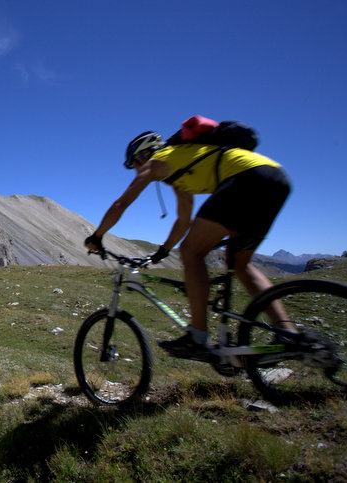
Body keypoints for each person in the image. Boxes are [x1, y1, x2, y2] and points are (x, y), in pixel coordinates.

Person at [84, 123, 295, 360]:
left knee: (192, 252)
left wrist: (97, 236)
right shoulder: (180, 172)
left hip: (246, 180)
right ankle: (288, 333)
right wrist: (162, 251)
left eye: (134, 164)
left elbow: (121, 204)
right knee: (240, 263)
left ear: (142, 156)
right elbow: (183, 221)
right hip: (275, 178)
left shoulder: (159, 161)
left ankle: (197, 337)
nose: (135, 171)